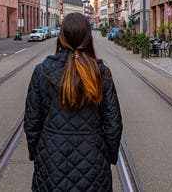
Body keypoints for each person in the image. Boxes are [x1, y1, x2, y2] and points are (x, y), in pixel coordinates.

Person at [24, 13, 123, 191]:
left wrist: (37, 153)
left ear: (61, 37)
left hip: (50, 161)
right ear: (88, 38)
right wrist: (107, 155)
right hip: (93, 162)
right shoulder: (101, 73)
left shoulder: (42, 72)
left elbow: (32, 122)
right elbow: (113, 124)